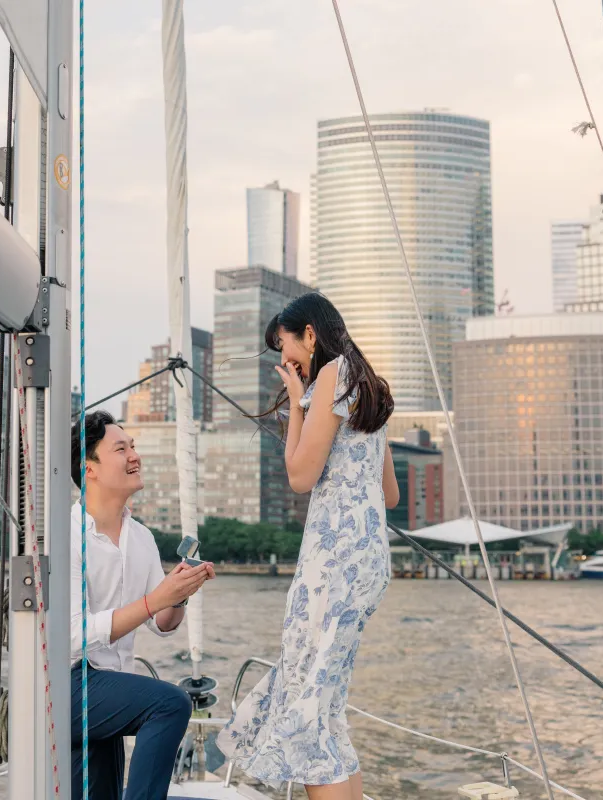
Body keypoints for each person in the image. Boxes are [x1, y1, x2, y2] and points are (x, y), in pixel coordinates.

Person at [217, 293, 399, 799]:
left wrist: (299, 402)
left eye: (286, 345)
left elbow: (300, 476)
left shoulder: (331, 376)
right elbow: (390, 494)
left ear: (310, 335)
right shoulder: (368, 385)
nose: (285, 359)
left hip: (333, 561)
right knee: (326, 705)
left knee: (309, 707)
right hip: (367, 560)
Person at [70, 410, 215, 800]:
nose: (135, 455)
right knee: (170, 704)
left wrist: (179, 592)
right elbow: (70, 636)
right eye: (121, 449)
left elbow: (163, 623)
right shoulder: (65, 534)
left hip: (109, 688)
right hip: (65, 685)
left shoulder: (141, 538)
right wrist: (155, 599)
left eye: (133, 446)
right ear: (89, 469)